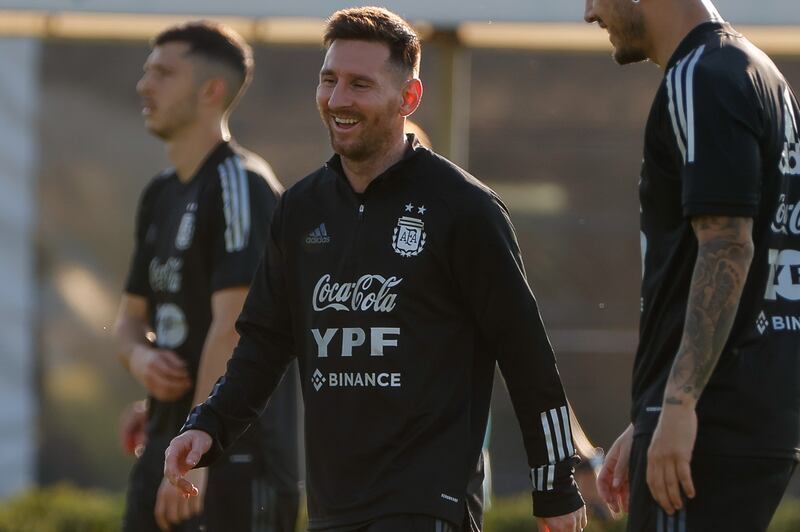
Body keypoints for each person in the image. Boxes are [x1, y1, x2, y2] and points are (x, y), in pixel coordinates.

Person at [165, 7, 587, 532]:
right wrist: (209, 425)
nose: (338, 99)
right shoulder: (299, 209)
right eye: (329, 80)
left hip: (425, 503)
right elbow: (264, 343)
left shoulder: (464, 208)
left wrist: (555, 485)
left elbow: (527, 356)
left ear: (408, 98)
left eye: (360, 84)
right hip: (330, 508)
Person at [584, 1, 800, 530]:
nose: (589, 12)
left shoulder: (699, 77)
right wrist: (654, 411)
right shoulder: (755, 70)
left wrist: (678, 406)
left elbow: (728, 245)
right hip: (748, 413)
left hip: (710, 419)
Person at [113, 20, 299, 532]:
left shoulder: (242, 185)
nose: (144, 85)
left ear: (211, 91)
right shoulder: (159, 194)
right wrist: (143, 359)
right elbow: (128, 321)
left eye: (163, 73)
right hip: (168, 449)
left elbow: (233, 326)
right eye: (147, 71)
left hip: (233, 460)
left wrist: (204, 450)